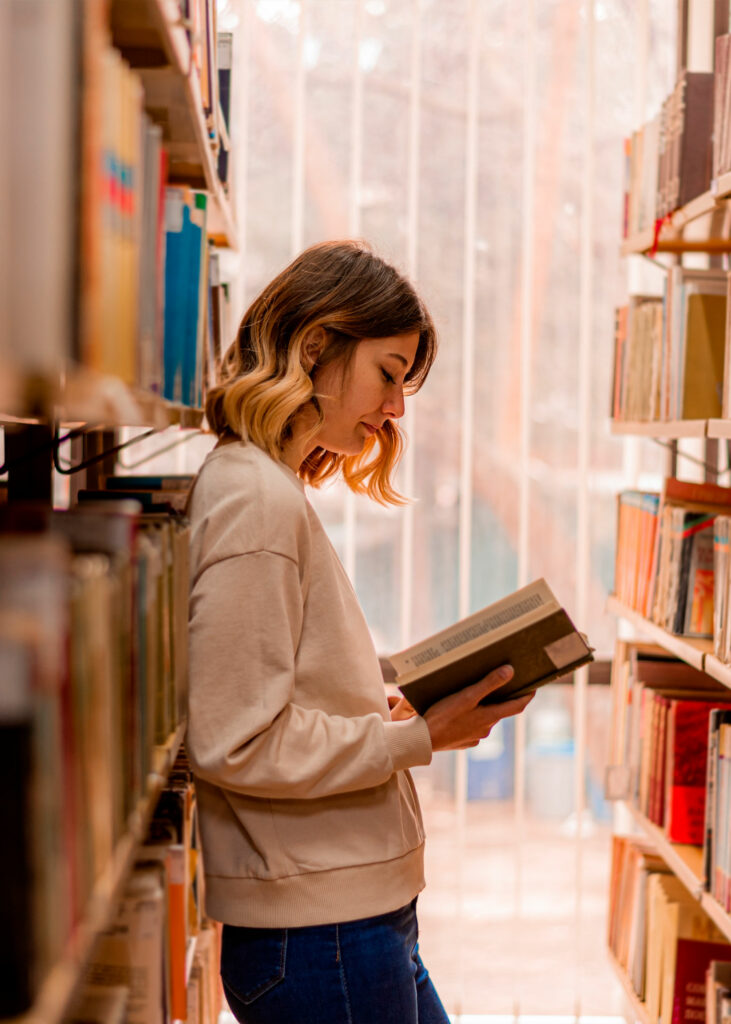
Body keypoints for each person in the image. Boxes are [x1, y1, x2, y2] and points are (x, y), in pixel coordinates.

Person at [186, 240, 534, 1024]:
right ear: (315, 348)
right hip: (322, 932)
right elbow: (238, 739)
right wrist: (417, 738)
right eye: (388, 372)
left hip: (348, 920)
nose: (397, 408)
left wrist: (374, 710)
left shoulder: (265, 487)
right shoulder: (256, 502)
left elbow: (267, 695)